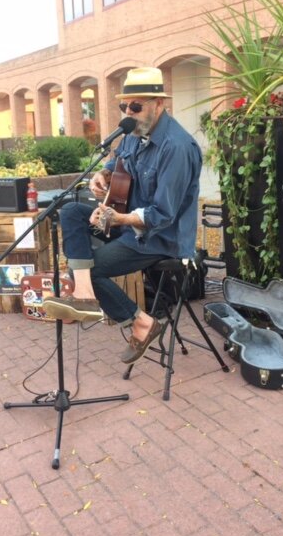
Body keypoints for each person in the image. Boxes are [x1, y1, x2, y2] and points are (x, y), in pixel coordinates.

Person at [43, 67, 203, 364]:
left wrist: (117, 219)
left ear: (159, 104)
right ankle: (86, 296)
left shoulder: (177, 147)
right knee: (71, 211)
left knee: (87, 270)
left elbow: (163, 215)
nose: (128, 113)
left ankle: (141, 322)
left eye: (136, 106)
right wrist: (103, 174)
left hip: (159, 237)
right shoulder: (134, 133)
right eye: (124, 106)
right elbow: (117, 159)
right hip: (128, 221)